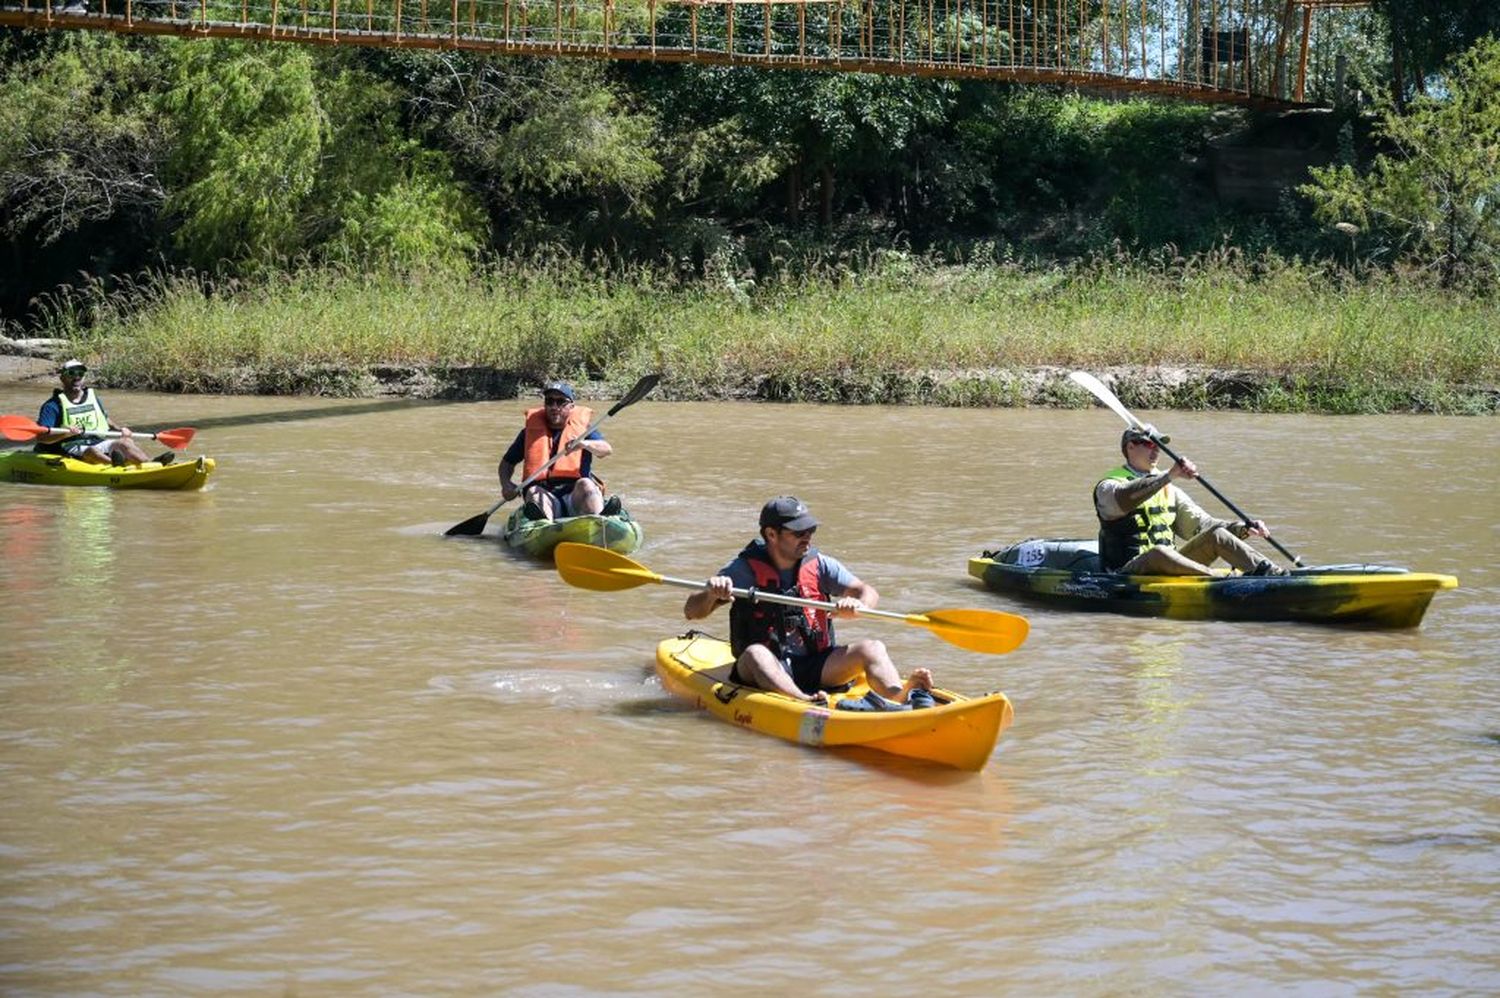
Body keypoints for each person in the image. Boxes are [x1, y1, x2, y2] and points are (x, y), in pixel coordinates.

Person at [682, 496, 936, 711]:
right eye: (799, 533)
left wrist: (860, 605)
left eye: (810, 531)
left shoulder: (820, 565)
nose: (808, 538)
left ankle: (898, 698)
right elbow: (691, 611)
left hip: (816, 664)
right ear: (771, 534)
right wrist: (712, 594)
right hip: (766, 667)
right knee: (755, 653)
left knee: (872, 647)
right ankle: (806, 702)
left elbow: (865, 590)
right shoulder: (743, 569)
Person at [1094, 425, 1286, 577]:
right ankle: (1219, 578)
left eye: (1159, 446)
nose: (1156, 451)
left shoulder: (1169, 488)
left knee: (1217, 535)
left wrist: (1242, 528)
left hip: (1170, 566)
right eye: (1150, 444)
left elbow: (1202, 526)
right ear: (1130, 447)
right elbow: (1124, 499)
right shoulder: (1109, 485)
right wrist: (1168, 476)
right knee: (1159, 552)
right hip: (1126, 572)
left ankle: (1271, 573)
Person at [496, 381, 619, 520]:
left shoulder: (585, 431)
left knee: (586, 484)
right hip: (545, 495)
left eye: (560, 402)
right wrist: (506, 485)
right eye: (550, 401)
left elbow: (606, 449)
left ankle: (600, 523)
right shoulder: (528, 433)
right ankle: (545, 528)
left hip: (575, 496)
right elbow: (507, 463)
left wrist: (584, 444)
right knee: (533, 491)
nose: (554, 407)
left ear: (572, 407)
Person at [34, 359, 170, 466]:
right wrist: (65, 433)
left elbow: (104, 419)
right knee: (92, 451)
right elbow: (41, 438)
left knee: (125, 443)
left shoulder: (92, 398)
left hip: (96, 442)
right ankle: (116, 466)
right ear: (62, 378)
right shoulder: (52, 406)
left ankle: (150, 464)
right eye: (71, 373)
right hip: (70, 447)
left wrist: (120, 429)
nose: (76, 377)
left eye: (80, 373)